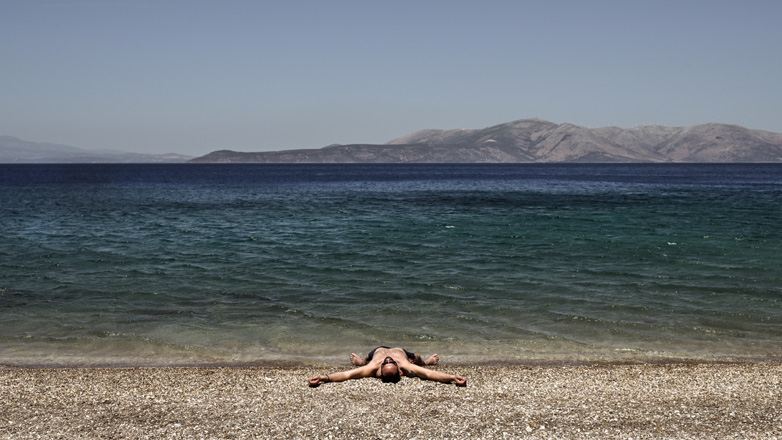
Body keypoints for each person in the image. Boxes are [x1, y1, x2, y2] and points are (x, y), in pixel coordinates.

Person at [307, 346, 467, 387]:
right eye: (391, 363)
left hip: (374, 353)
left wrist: (324, 378)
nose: (389, 359)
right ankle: (427, 360)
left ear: (379, 369)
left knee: (364, 362)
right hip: (403, 352)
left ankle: (360, 362)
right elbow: (429, 374)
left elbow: (347, 375)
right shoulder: (405, 364)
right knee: (418, 359)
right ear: (400, 370)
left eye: (386, 362)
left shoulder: (373, 367)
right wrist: (453, 378)